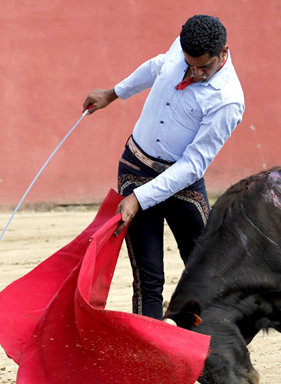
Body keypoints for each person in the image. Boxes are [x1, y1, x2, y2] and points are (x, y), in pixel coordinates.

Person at [82, 15, 245, 320]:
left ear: (223, 52)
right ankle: (150, 361)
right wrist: (112, 93)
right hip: (136, 167)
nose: (195, 73)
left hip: (182, 184)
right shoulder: (182, 49)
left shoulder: (228, 101)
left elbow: (193, 165)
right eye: (189, 64)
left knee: (207, 273)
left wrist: (139, 198)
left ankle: (211, 354)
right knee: (148, 279)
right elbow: (157, 66)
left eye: (204, 68)